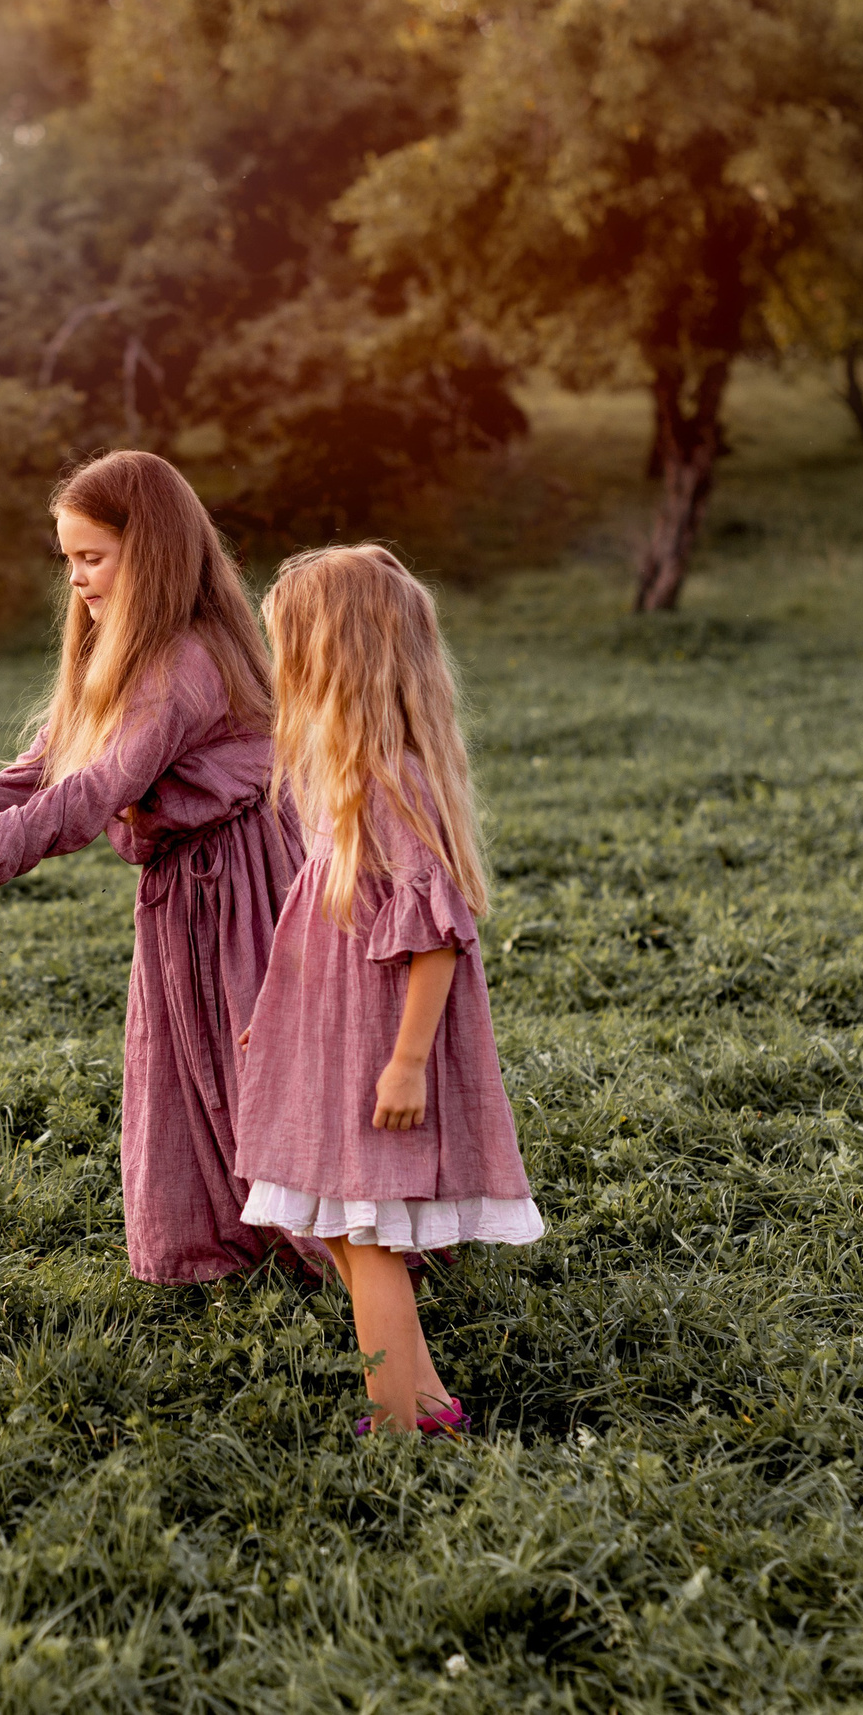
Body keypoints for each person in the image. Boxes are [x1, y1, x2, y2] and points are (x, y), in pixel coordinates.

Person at [0, 450, 304, 1285]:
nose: (76, 580)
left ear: (156, 554)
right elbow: (39, 771)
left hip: (248, 883)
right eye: (68, 559)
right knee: (189, 1060)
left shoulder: (188, 662)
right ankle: (223, 1249)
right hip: (183, 889)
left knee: (259, 1061)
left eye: (92, 558)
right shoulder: (121, 653)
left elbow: (102, 786)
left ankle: (329, 1244)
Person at [234, 543, 541, 1436]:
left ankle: (397, 1423)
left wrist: (409, 1063)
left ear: (338, 657)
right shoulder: (339, 777)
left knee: (364, 1237)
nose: (281, 668)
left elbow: (440, 936)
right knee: (342, 1228)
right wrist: (272, 1023)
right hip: (331, 1034)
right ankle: (430, 1402)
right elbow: (313, 931)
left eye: (290, 648)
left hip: (378, 1044)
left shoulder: (391, 782)